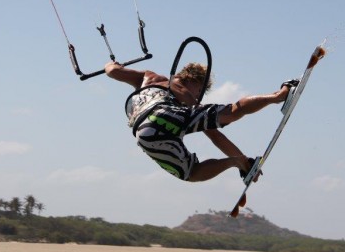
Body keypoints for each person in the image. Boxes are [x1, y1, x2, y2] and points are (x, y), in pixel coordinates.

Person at [105, 61, 297, 183]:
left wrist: (114, 64)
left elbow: (111, 71)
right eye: (200, 91)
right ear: (194, 80)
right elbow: (215, 135)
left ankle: (236, 163)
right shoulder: (185, 93)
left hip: (144, 133)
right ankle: (279, 95)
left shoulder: (148, 77)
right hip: (163, 112)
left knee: (192, 173)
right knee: (231, 111)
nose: (198, 96)